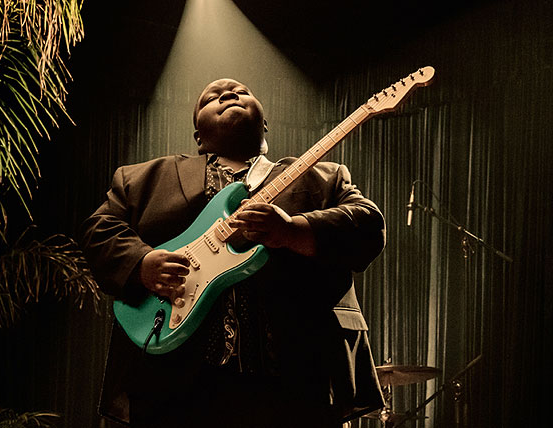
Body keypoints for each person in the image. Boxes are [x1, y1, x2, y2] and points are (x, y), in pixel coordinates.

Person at [79, 78, 386, 428]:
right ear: (198, 136)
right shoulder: (142, 179)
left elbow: (369, 224)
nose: (228, 93)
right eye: (211, 97)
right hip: (175, 382)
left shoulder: (323, 177)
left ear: (264, 123)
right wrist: (141, 264)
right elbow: (98, 230)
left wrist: (293, 230)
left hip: (295, 378)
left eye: (241, 92)